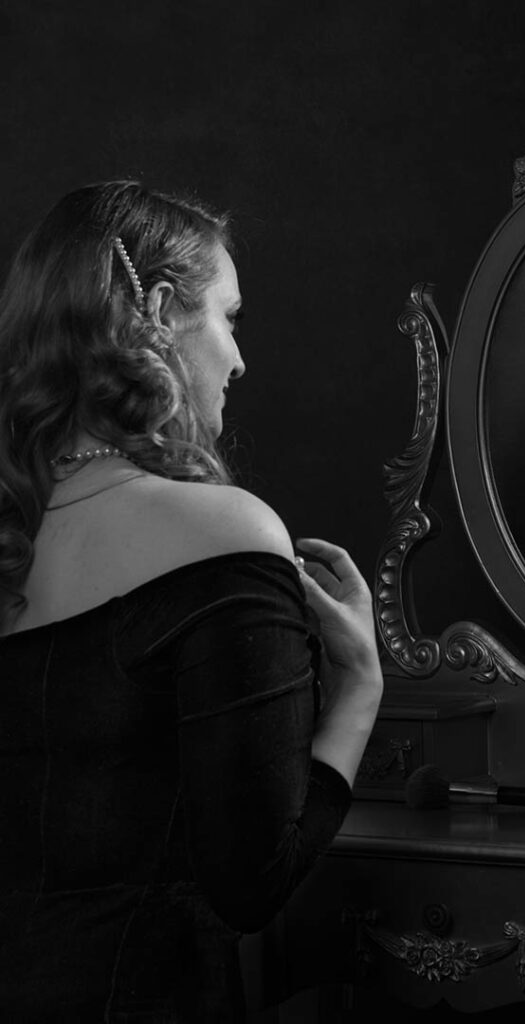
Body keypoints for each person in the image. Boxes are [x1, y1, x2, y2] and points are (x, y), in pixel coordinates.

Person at [0, 181, 384, 1020]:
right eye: (230, 316)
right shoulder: (224, 533)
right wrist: (358, 691)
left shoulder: (13, 536)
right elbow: (253, 885)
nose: (239, 359)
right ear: (162, 312)